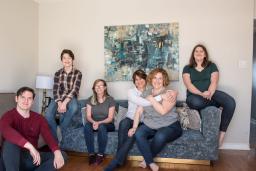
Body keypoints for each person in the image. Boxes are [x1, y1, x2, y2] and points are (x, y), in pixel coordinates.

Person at [0, 87, 66, 171]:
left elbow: (48, 136)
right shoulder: (8, 116)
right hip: (11, 159)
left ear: (33, 101)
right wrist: (30, 146)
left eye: (29, 98)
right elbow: (6, 130)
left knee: (62, 155)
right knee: (10, 143)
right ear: (16, 99)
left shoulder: (39, 118)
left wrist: (56, 151)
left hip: (31, 159)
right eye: (22, 97)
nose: (26, 101)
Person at [128, 68, 182, 171]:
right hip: (151, 125)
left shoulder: (169, 93)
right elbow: (139, 111)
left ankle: (147, 160)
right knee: (138, 133)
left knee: (160, 135)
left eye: (160, 78)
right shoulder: (146, 92)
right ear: (151, 79)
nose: (157, 81)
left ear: (164, 80)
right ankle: (151, 162)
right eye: (155, 78)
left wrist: (152, 99)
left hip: (170, 125)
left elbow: (163, 111)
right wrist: (134, 127)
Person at [182, 44, 236, 146]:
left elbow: (214, 82)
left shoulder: (212, 66)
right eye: (196, 51)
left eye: (201, 51)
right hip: (194, 96)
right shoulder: (187, 68)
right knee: (195, 102)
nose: (198, 53)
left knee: (230, 102)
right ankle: (216, 104)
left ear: (205, 54)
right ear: (193, 54)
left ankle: (221, 136)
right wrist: (202, 93)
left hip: (211, 93)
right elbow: (189, 85)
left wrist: (209, 92)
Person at [45, 49, 82, 141]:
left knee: (74, 107)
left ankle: (60, 129)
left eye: (69, 58)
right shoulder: (58, 73)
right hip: (59, 97)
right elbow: (56, 89)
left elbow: (75, 90)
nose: (67, 60)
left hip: (71, 97)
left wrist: (64, 103)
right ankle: (56, 135)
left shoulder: (78, 73)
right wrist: (59, 103)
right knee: (48, 114)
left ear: (72, 59)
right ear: (61, 60)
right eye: (64, 58)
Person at [84, 79, 115, 165]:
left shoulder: (110, 99)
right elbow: (88, 116)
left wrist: (99, 123)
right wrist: (94, 122)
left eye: (101, 85)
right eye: (96, 85)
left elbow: (110, 118)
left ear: (105, 87)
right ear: (94, 88)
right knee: (87, 126)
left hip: (108, 124)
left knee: (101, 127)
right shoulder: (90, 100)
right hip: (94, 122)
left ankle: (100, 154)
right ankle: (91, 154)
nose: (98, 87)